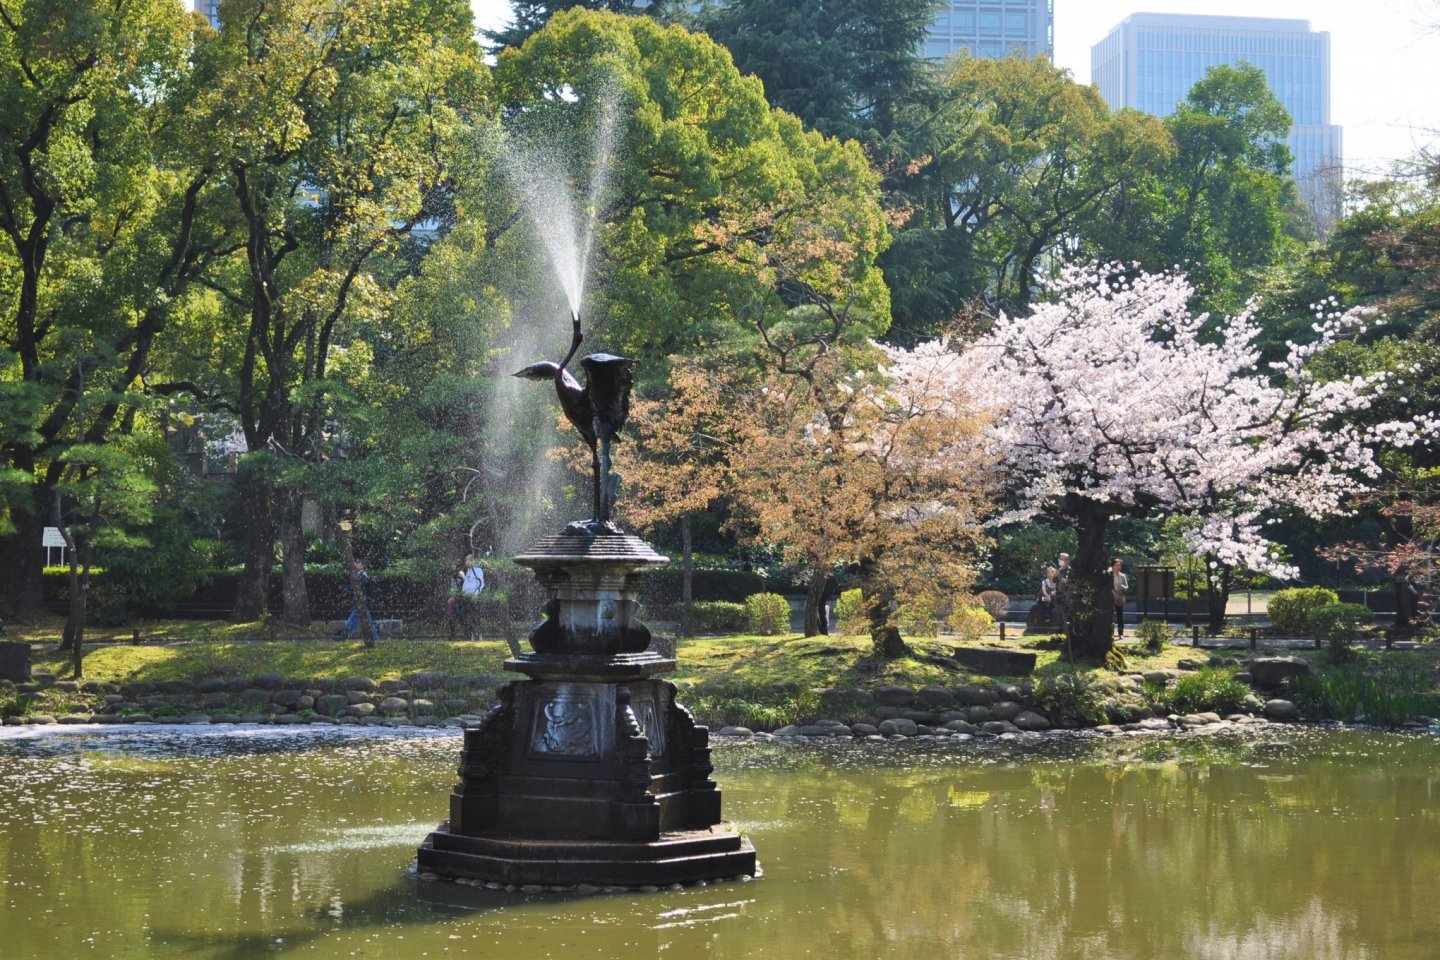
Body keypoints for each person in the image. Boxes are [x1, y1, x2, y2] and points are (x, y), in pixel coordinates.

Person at [344, 558, 380, 642]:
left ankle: (344, 636)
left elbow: (357, 587)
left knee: (353, 621)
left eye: (358, 563)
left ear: (362, 566)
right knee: (368, 621)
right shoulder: (359, 575)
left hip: (361, 602)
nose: (356, 564)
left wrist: (347, 588)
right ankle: (376, 638)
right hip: (360, 602)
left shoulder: (363, 575)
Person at [459, 553, 485, 640]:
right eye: (466, 560)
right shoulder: (469, 570)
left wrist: (475, 594)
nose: (466, 562)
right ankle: (471, 635)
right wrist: (463, 577)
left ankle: (479, 635)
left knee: (475, 617)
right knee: (467, 616)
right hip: (466, 597)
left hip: (474, 597)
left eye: (467, 560)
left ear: (472, 561)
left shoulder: (478, 570)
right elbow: (468, 582)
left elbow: (481, 584)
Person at [445, 560, 465, 640]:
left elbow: (462, 585)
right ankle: (453, 634)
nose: (452, 566)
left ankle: (466, 632)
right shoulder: (453, 575)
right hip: (455, 597)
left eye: (453, 565)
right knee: (453, 617)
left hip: (460, 598)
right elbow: (453, 587)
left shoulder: (460, 573)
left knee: (460, 617)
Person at [1111, 558, 1129, 638]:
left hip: (1119, 598)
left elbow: (1127, 586)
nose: (1118, 567)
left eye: (1120, 565)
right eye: (1116, 565)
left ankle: (1120, 633)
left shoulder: (1123, 576)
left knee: (1120, 616)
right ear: (1112, 566)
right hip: (1110, 598)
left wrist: (1124, 587)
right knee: (1109, 616)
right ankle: (1110, 632)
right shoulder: (1109, 574)